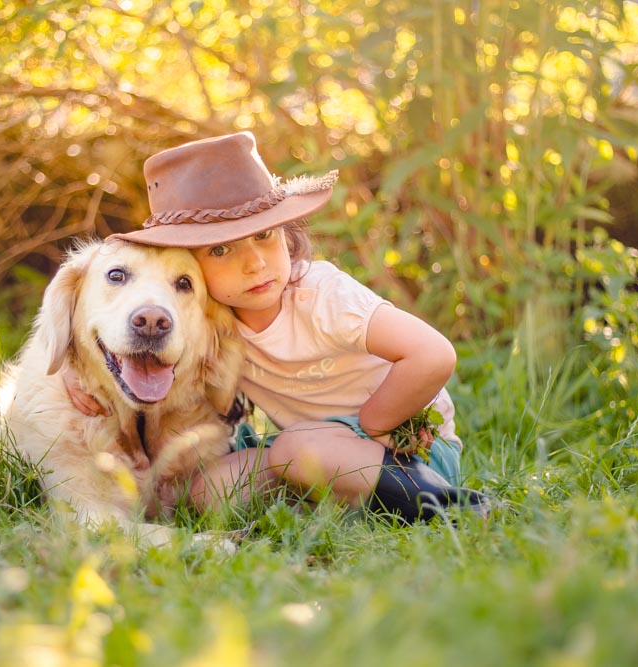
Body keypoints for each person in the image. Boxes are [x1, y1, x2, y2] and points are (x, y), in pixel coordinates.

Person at [67, 131, 490, 523]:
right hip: (313, 447)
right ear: (190, 265)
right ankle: (327, 502)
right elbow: (146, 357)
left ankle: (452, 506)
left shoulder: (322, 295)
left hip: (407, 450)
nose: (254, 263)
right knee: (206, 493)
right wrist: (77, 372)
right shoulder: (210, 321)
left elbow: (433, 354)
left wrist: (375, 426)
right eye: (220, 249)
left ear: (286, 233)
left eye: (265, 235)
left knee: (298, 448)